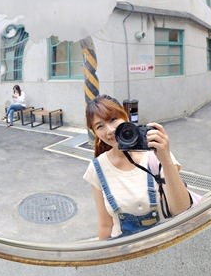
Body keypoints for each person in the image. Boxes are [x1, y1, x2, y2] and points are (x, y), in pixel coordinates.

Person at [82, 95, 194, 240]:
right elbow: (105, 225)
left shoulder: (155, 154)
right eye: (99, 126)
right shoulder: (97, 168)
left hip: (164, 243)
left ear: (126, 117)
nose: (109, 130)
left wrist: (165, 158)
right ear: (95, 133)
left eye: (113, 119)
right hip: (124, 250)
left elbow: (182, 209)